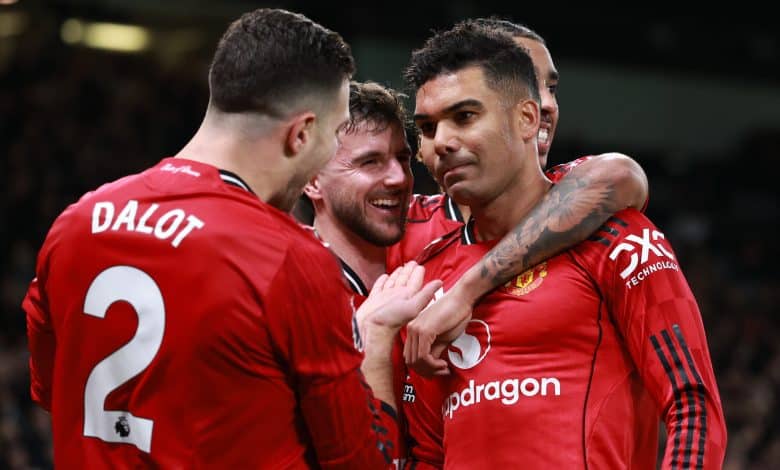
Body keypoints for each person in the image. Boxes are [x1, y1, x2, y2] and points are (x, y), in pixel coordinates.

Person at [22, 8, 440, 468]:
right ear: (301, 134)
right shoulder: (284, 256)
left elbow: (50, 388)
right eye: (335, 132)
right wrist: (377, 338)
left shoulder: (76, 223)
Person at [402, 20, 726, 468]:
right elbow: (426, 453)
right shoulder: (426, 275)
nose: (443, 142)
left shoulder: (616, 239)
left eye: (465, 116)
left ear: (526, 118)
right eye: (427, 128)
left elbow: (691, 403)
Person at [396, 19, 650, 375]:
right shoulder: (405, 227)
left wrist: (467, 289)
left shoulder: (572, 197)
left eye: (552, 87)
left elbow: (622, 176)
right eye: (530, 78)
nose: (545, 102)